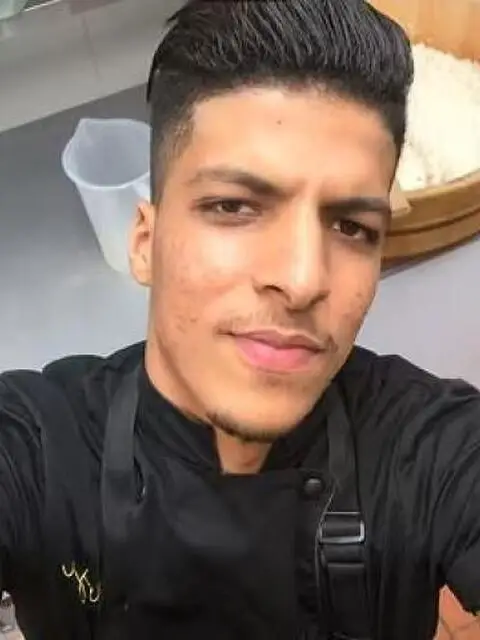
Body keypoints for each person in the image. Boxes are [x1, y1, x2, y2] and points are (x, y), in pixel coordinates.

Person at [1, 0, 479, 638]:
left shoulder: (429, 450)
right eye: (233, 206)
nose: (303, 279)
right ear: (144, 242)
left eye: (350, 226)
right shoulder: (40, 448)